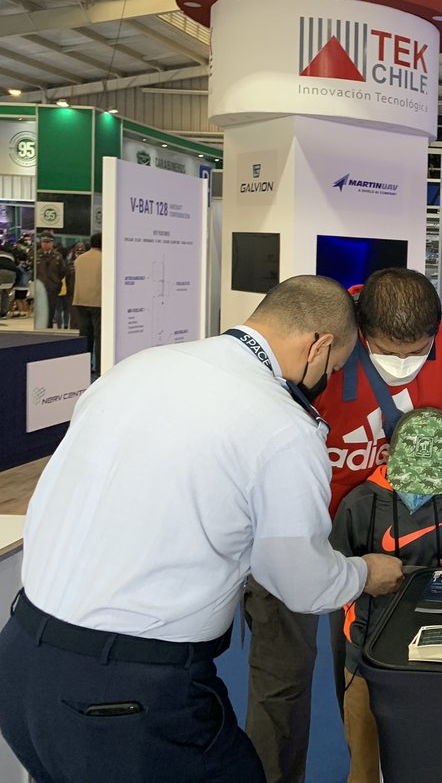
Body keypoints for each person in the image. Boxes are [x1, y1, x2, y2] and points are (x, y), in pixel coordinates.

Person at [0, 275, 406, 783]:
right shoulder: (282, 425)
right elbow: (300, 582)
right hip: (128, 695)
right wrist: (364, 573)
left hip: (21, 659)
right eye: (335, 366)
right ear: (318, 346)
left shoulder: (137, 369)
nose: (329, 379)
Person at [243, 267, 442, 783]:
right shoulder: (316, 350)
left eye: (418, 352)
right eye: (389, 352)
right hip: (295, 531)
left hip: (389, 535)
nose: (404, 366)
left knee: (374, 670)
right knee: (282, 678)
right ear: (359, 334)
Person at [330, 407, 442, 783]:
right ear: (388, 455)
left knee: (432, 759)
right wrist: (363, 576)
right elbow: (330, 578)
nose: (419, 487)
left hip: (438, 658)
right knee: (366, 763)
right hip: (368, 657)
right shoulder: (358, 506)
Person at [73, 233, 103, 372]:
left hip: (80, 301)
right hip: (98, 302)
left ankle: (84, 367)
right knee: (99, 336)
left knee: (85, 336)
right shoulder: (105, 259)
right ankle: (100, 368)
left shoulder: (79, 259)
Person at [33, 231, 65, 328]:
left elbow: (62, 272)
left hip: (52, 287)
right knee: (40, 310)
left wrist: (56, 283)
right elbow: (32, 272)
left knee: (51, 309)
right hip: (40, 287)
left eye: (48, 242)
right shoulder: (36, 255)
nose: (46, 244)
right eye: (44, 242)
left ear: (52, 243)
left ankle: (49, 326)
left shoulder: (58, 256)